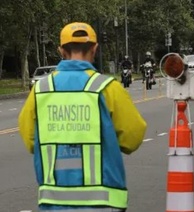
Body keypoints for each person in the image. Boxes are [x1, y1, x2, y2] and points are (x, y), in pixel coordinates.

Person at [18, 22, 147, 211]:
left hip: (54, 202)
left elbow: (31, 141)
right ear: (95, 48)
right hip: (103, 202)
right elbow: (132, 137)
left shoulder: (41, 90)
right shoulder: (107, 87)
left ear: (61, 50)